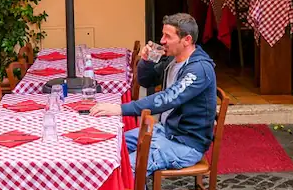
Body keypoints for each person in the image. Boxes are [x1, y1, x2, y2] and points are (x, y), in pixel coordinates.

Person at [89, 13, 217, 174]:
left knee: (126, 167)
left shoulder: (199, 69)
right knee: (110, 146)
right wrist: (147, 61)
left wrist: (120, 109)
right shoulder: (173, 60)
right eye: (163, 35)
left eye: (168, 36)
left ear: (187, 40)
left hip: (186, 144)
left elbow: (167, 99)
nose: (162, 41)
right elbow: (146, 81)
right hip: (165, 131)